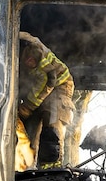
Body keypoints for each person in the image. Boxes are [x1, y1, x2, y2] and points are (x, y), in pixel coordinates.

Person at [16, 31, 76, 171]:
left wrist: (28, 106)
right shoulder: (14, 44)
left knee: (51, 121)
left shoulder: (32, 50)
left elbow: (48, 80)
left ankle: (51, 170)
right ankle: (26, 168)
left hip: (59, 86)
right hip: (39, 88)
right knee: (30, 129)